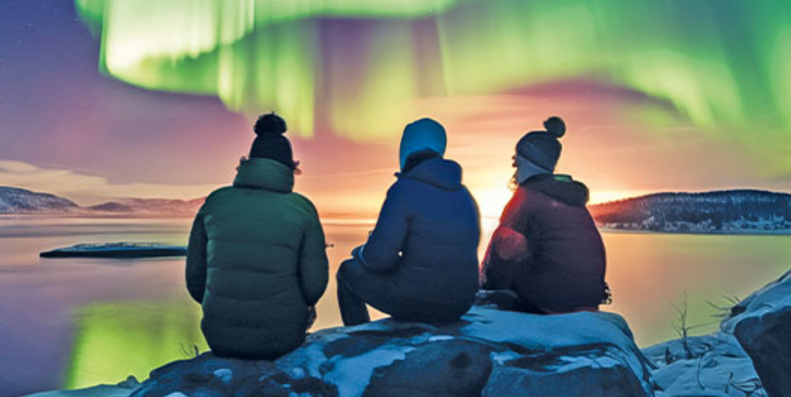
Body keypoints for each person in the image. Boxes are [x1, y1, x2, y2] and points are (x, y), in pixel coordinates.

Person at [186, 112, 328, 359]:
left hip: (220, 337)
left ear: (247, 163)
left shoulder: (215, 202)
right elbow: (314, 287)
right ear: (290, 168)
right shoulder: (302, 209)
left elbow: (195, 280)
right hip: (281, 339)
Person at [337, 117, 481, 326]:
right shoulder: (464, 194)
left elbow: (379, 259)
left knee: (347, 272)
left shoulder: (403, 190)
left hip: (423, 301)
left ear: (406, 151)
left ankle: (358, 340)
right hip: (460, 303)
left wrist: (360, 252)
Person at [480, 115, 608, 313]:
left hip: (550, 300)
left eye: (517, 161)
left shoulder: (526, 199)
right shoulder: (575, 204)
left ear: (527, 164)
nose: (514, 169)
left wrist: (487, 289)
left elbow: (502, 257)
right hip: (588, 298)